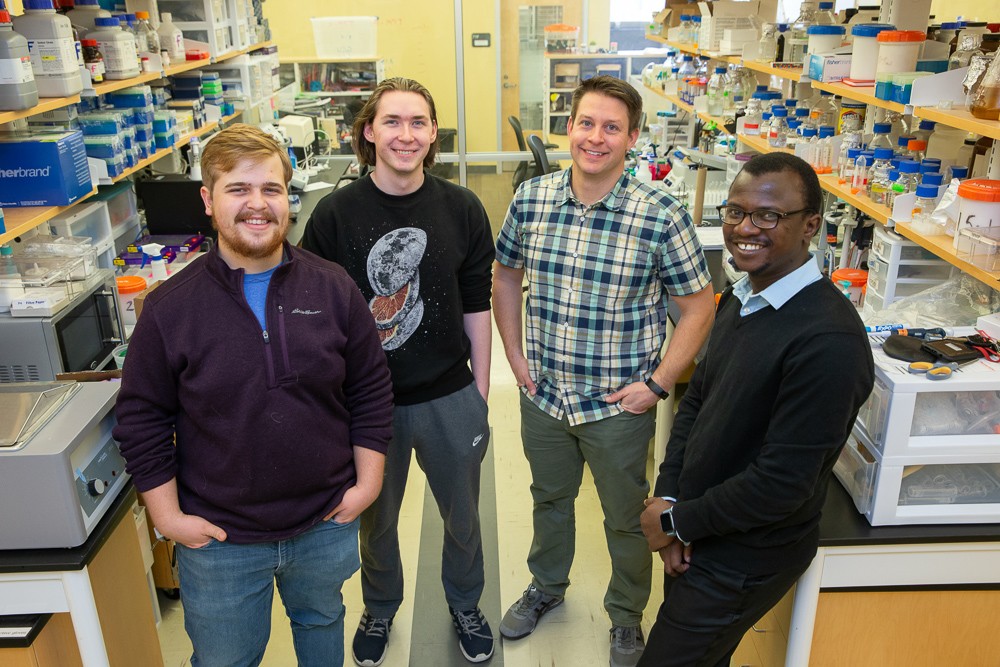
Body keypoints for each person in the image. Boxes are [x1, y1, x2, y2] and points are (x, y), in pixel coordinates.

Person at [113, 124, 394, 667]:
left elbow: (369, 387)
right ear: (208, 200)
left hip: (324, 521)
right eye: (238, 190)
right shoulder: (170, 308)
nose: (257, 205)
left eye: (270, 188)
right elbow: (142, 416)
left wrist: (368, 484)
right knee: (225, 659)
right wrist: (168, 518)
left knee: (321, 626)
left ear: (288, 195)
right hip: (220, 539)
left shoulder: (333, 286)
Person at [493, 75, 716, 667]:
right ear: (570, 128)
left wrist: (658, 383)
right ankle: (547, 587)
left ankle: (625, 616)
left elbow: (699, 306)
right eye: (586, 124)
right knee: (549, 499)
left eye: (611, 128)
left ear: (632, 138)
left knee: (624, 517)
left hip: (618, 406)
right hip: (543, 395)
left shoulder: (659, 214)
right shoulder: (532, 198)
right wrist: (514, 355)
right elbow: (506, 274)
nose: (595, 138)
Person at [637, 152, 875, 667]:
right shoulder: (744, 296)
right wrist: (672, 500)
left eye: (768, 215)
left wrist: (679, 523)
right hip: (701, 526)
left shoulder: (828, 341)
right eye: (734, 212)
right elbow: (697, 399)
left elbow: (780, 485)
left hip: (746, 556)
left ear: (811, 225)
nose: (746, 228)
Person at [301, 77, 496, 666]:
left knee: (462, 515)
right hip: (366, 404)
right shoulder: (335, 214)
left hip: (448, 395)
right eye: (392, 122)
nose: (406, 135)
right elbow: (318, 314)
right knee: (375, 519)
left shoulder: (461, 206)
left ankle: (465, 602)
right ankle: (380, 608)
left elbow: (475, 304)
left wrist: (479, 393)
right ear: (368, 132)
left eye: (418, 123)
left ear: (433, 133)